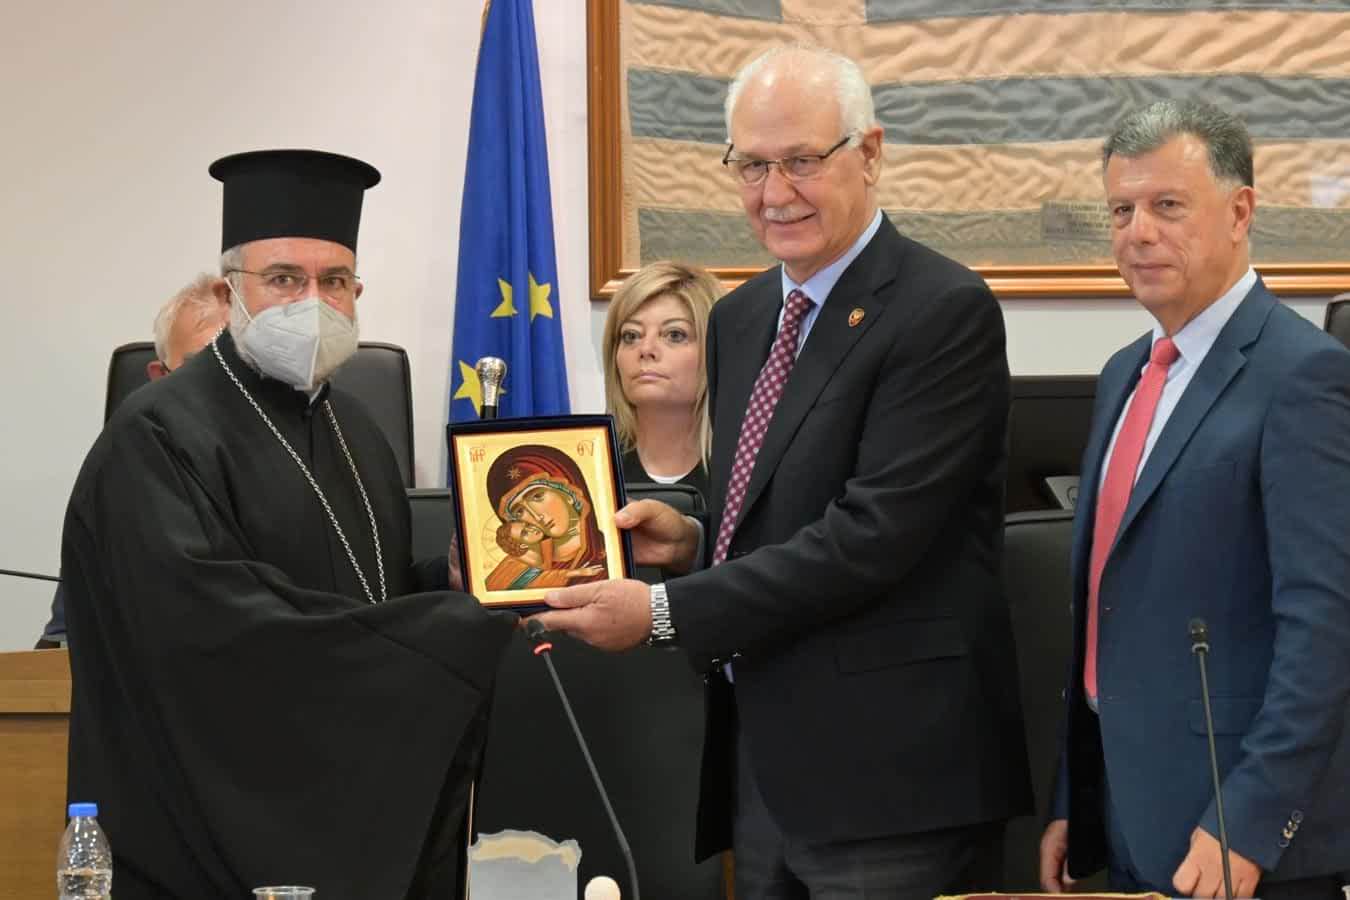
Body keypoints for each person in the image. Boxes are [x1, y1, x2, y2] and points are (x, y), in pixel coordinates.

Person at [535, 45, 1032, 899]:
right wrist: (691, 542)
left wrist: (663, 612)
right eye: (752, 165)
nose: (775, 192)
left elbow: (870, 539)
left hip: (892, 784)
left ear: (869, 153)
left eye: (802, 160)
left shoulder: (942, 310)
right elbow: (773, 518)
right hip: (763, 766)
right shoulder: (740, 318)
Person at [59, 149, 514, 900]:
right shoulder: (155, 435)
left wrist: (454, 582)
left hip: (351, 806)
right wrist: (449, 631)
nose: (313, 303)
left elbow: (375, 596)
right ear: (227, 291)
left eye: (334, 282)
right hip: (199, 833)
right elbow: (214, 636)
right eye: (283, 279)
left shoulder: (359, 431)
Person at [1038, 100, 1350, 900]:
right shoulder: (1123, 374)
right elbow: (1108, 606)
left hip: (1240, 836)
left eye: (1167, 206)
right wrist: (1078, 793)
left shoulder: (1305, 375)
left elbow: (1326, 627)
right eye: (1121, 210)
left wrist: (1250, 818)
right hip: (1128, 812)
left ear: (1240, 212)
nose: (1138, 233)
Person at [35, 273, 230, 649]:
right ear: (159, 378)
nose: (225, 390)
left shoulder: (309, 468)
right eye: (199, 370)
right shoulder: (121, 479)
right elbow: (61, 643)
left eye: (239, 371)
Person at [601, 260, 721, 497]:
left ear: (714, 349)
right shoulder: (595, 468)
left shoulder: (746, 468)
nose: (646, 349)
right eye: (631, 335)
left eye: (674, 335)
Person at [481, 444, 607, 592]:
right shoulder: (511, 573)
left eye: (537, 496)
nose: (536, 517)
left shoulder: (613, 556)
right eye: (520, 512)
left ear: (569, 494)